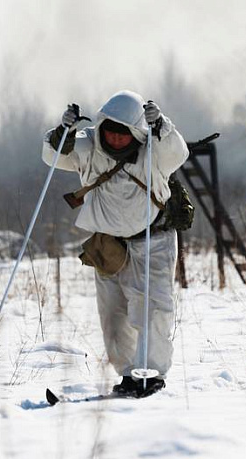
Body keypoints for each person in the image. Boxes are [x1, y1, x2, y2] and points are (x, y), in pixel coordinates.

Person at [42, 90, 188, 397]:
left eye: (123, 134)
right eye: (110, 132)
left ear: (136, 131)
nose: (116, 139)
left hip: (153, 241)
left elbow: (178, 153)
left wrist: (161, 124)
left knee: (151, 308)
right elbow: (54, 156)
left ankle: (152, 374)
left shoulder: (154, 149)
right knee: (113, 313)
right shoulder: (89, 147)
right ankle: (127, 375)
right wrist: (63, 132)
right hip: (108, 244)